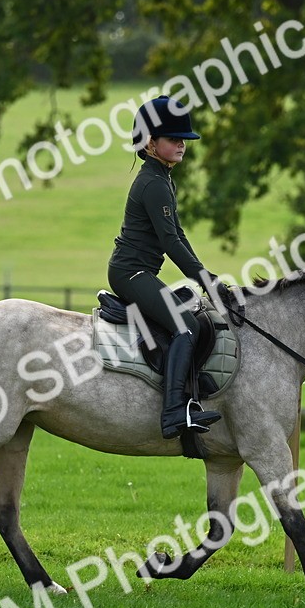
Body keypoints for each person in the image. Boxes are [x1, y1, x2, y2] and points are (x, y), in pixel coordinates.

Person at [108, 95, 223, 439]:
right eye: (173, 139)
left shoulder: (163, 178)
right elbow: (171, 244)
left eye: (183, 139)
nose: (181, 145)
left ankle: (186, 390)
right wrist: (204, 278)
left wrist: (207, 276)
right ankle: (173, 413)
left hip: (143, 272)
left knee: (196, 318)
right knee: (185, 326)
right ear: (149, 142)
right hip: (131, 274)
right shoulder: (153, 183)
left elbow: (178, 234)